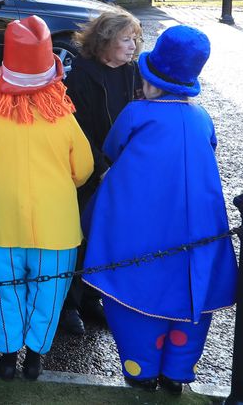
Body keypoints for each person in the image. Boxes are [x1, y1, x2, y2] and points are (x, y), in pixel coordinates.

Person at [83, 25, 237, 395]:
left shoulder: (137, 113)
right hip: (199, 223)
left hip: (145, 224)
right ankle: (178, 371)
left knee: (137, 290)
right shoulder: (201, 118)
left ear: (151, 79)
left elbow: (112, 149)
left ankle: (141, 369)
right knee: (194, 293)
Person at [0, 15, 93, 381]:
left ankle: (5, 358)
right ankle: (34, 357)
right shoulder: (63, 119)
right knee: (48, 294)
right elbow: (83, 168)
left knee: (3, 292)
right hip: (57, 228)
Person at [59, 10, 144, 335]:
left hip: (121, 173)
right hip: (88, 173)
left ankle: (93, 298)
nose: (132, 45)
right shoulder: (79, 77)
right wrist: (101, 168)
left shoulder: (133, 73)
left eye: (135, 38)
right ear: (106, 41)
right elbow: (75, 131)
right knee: (79, 237)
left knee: (107, 238)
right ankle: (69, 305)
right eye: (126, 39)